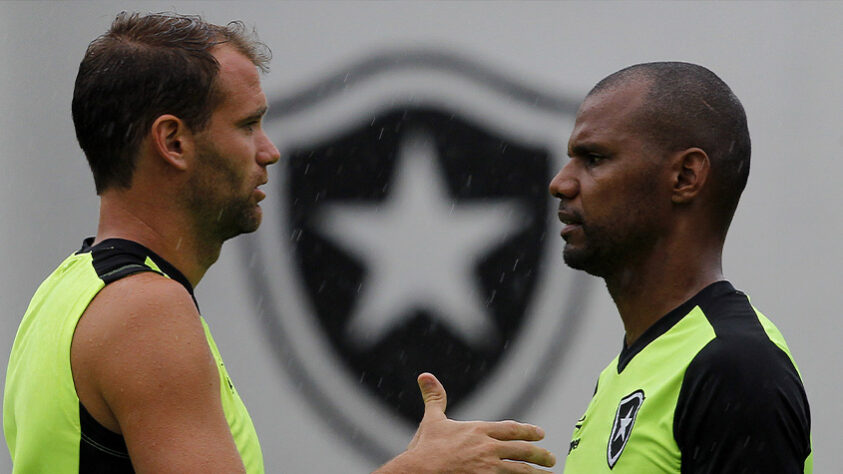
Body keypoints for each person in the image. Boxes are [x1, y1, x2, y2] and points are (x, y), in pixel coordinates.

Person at [2, 12, 556, 474]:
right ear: (173, 141)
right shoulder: (145, 309)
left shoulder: (65, 293)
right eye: (247, 125)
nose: (270, 151)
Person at [550, 62, 812, 472]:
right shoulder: (626, 372)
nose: (561, 183)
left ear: (685, 176)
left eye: (594, 158)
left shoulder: (735, 366)